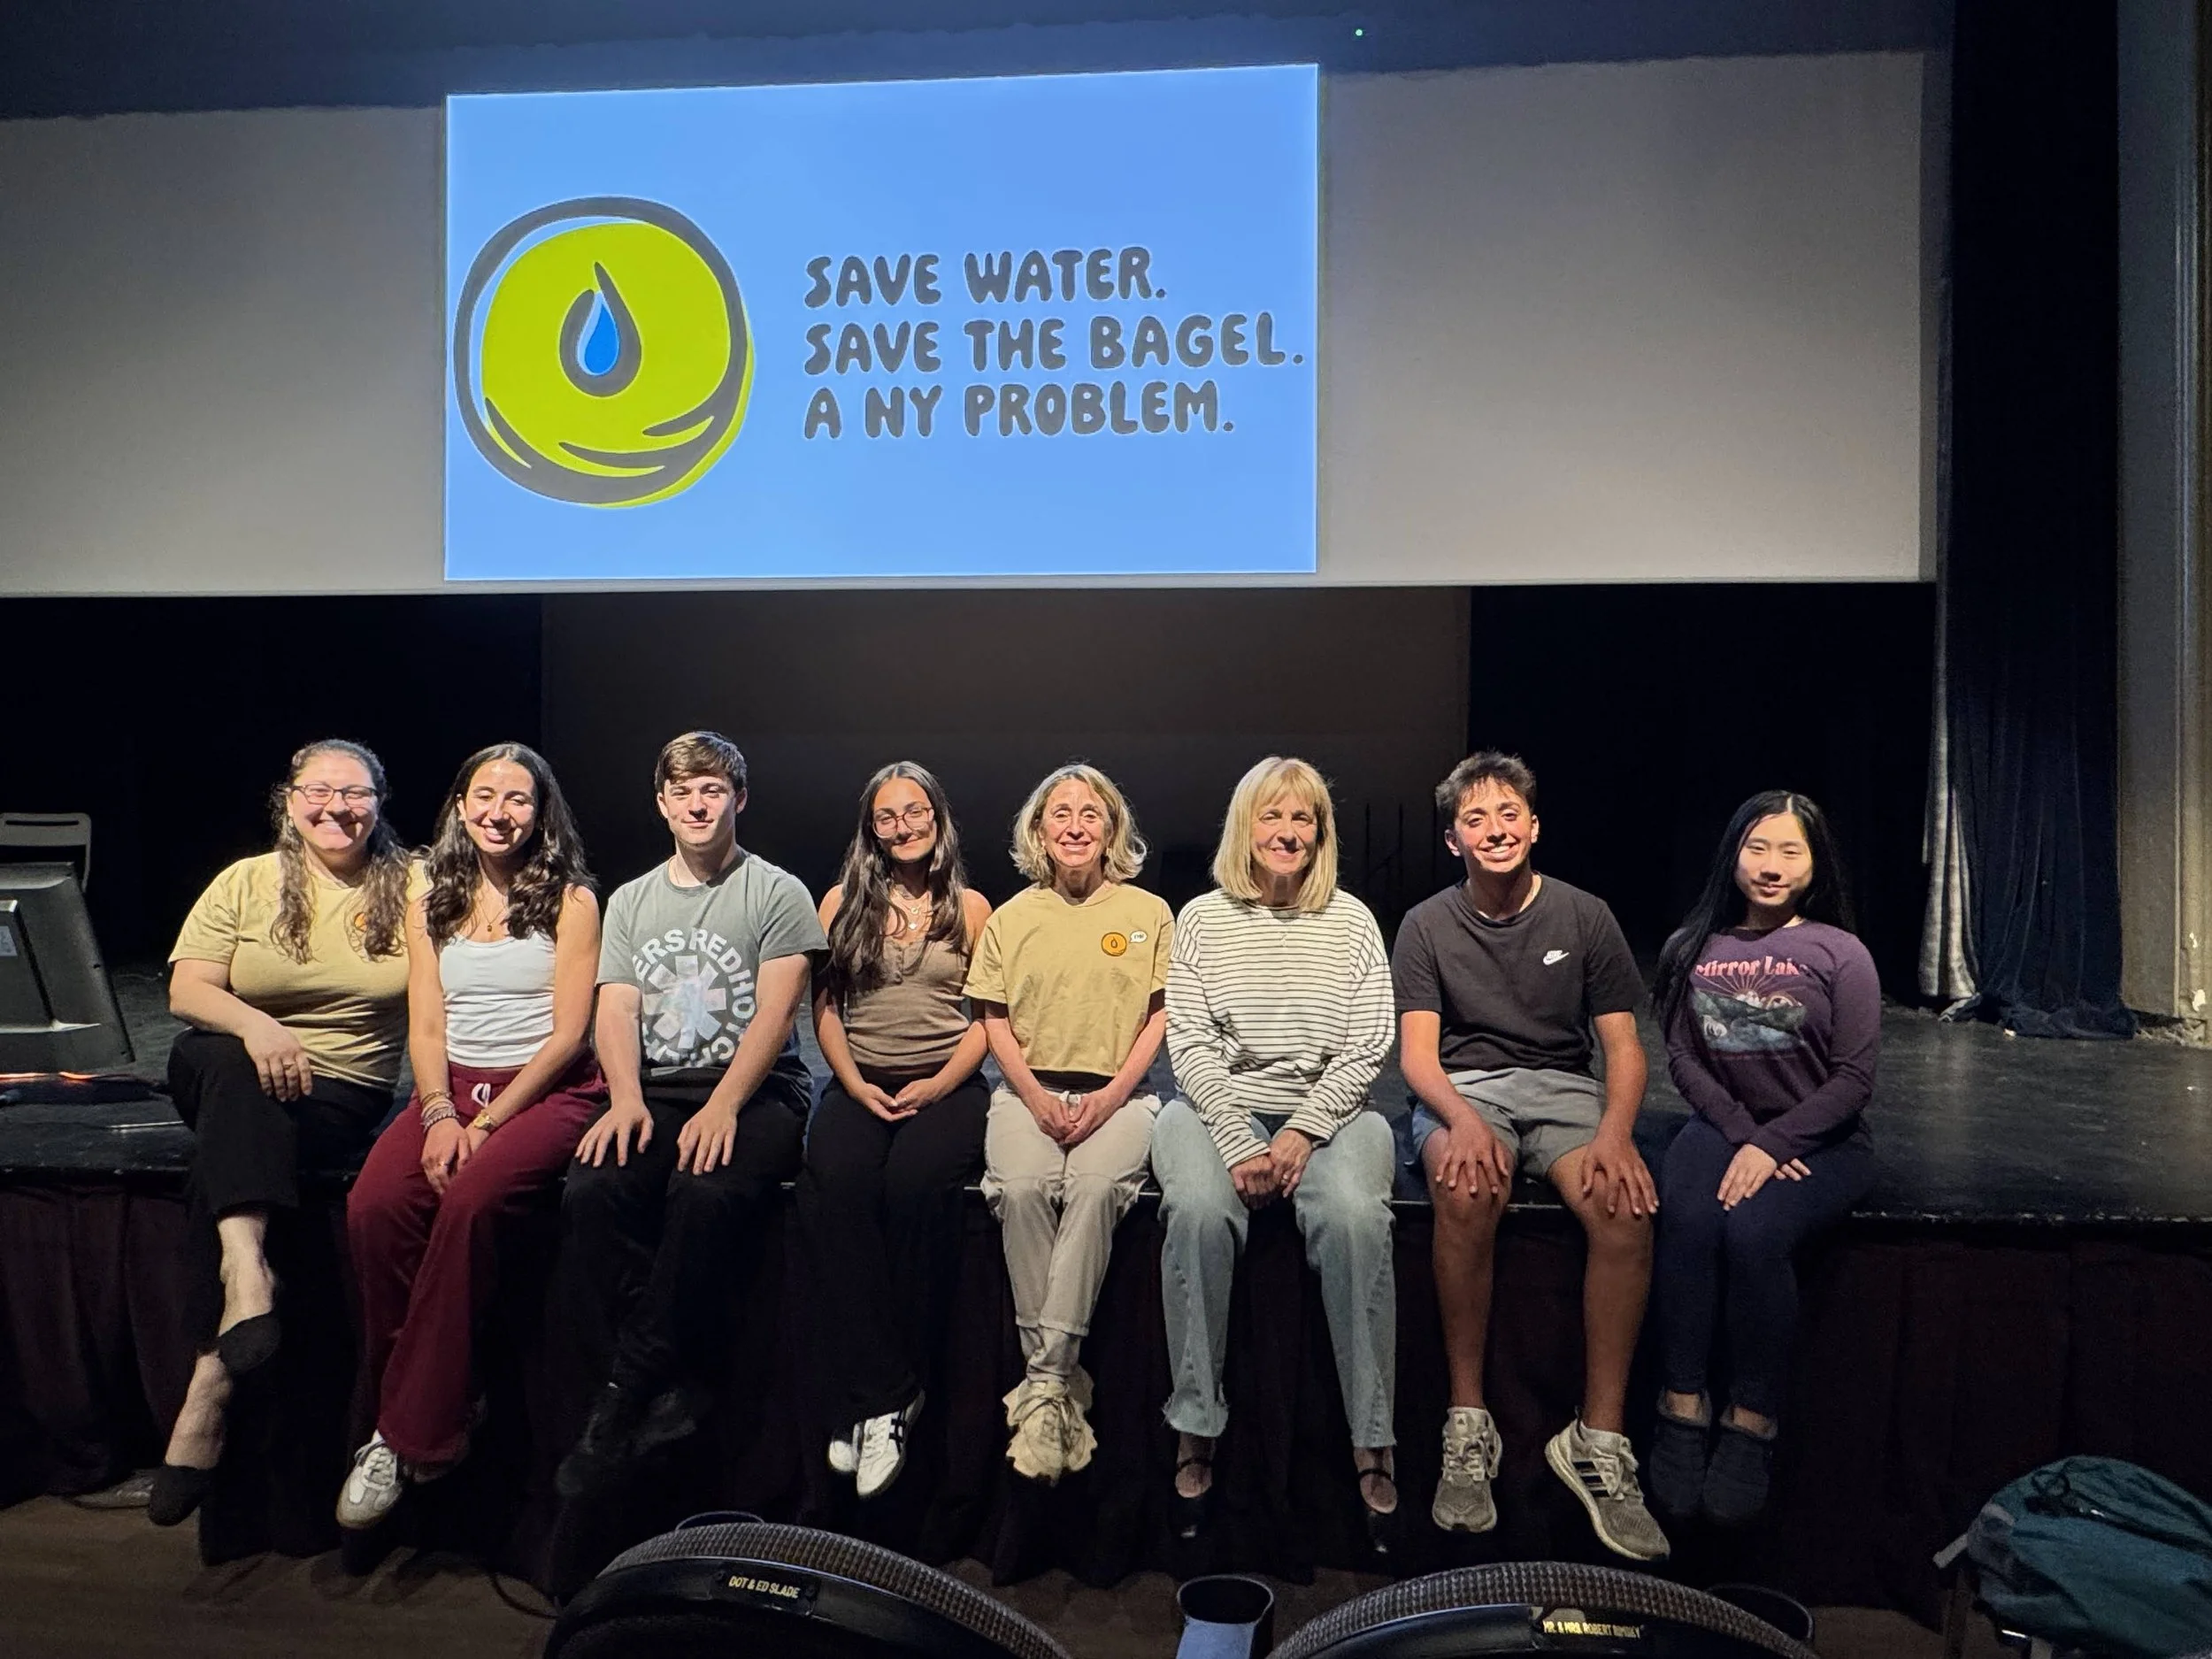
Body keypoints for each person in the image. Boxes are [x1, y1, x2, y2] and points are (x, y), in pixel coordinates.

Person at [1394, 751, 1669, 1561]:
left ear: (1535, 825)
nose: (1495, 830)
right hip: (1465, 1086)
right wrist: (1459, 1118)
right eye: (1475, 820)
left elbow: (1622, 1046)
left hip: (1562, 1091)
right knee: (1467, 1184)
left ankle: (1600, 1440)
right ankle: (1468, 1423)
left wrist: (1617, 1133)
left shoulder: (1586, 915)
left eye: (1508, 814)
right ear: (1454, 840)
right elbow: (1417, 1057)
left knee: (1625, 1206)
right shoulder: (1426, 923)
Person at [336, 743, 605, 1530]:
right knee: (372, 1208)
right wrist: (437, 1112)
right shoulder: (431, 894)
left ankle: (406, 1431)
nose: (499, 811)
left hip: (545, 1090)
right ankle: (431, 1395)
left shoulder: (572, 898)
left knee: (469, 1207)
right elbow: (426, 1020)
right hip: (449, 1088)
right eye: (483, 794)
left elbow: (567, 1035)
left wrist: (484, 1122)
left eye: (517, 799)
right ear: (459, 805)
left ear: (540, 812)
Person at [151, 739, 419, 1527]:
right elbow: (187, 988)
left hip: (340, 1090)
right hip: (226, 1068)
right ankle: (246, 1273)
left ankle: (210, 1377)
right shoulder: (246, 880)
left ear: (380, 800)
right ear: (288, 797)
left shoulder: (416, 883)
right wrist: (261, 1028)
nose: (337, 805)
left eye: (356, 792)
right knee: (233, 1066)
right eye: (320, 789)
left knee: (228, 1152)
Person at [553, 731, 826, 1498]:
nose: (697, 803)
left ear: (738, 798)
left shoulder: (777, 891)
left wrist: (725, 1104)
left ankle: (624, 1392)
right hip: (657, 1088)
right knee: (592, 1189)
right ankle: (671, 1382)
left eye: (712, 790)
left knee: (706, 1191)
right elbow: (617, 1007)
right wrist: (628, 1097)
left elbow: (778, 1013)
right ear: (662, 804)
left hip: (758, 1086)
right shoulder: (633, 899)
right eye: (683, 791)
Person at [1157, 757, 1400, 1546]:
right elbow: (1188, 1045)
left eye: (1303, 819)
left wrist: (1301, 1131)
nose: (1287, 832)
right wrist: (1235, 1135)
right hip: (1214, 1106)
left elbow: (1369, 1046)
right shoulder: (1200, 917)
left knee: (1357, 1215)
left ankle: (1372, 1438)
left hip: (1330, 1114)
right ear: (1245, 827)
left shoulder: (1354, 920)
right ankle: (1197, 1425)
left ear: (1321, 833)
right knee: (1196, 1207)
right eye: (1272, 817)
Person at [1645, 791, 1878, 1526]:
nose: (1771, 866)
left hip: (1820, 1139)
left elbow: (1854, 1078)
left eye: (1790, 851)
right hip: (1725, 1124)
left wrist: (1774, 1143)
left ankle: (1753, 1416)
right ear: (1732, 853)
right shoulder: (1691, 946)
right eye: (1758, 848)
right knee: (1684, 1214)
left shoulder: (1842, 953)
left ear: (1814, 865)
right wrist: (1741, 1133)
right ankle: (1681, 1399)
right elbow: (1682, 1056)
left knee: (1754, 1232)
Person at [966, 763, 1171, 1484]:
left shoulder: (1149, 912)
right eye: (1061, 813)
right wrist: (1033, 1094)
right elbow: (992, 1017)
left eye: (1091, 812)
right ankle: (1056, 1385)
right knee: (1019, 1189)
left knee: (1090, 1192)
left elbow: (1159, 1014)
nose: (1076, 824)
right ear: (1039, 830)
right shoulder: (1012, 918)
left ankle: (1042, 1385)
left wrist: (1111, 1097)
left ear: (1111, 827)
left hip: (1121, 1096)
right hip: (1027, 1093)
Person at [799, 763, 993, 1500]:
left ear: (939, 818)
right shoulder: (840, 902)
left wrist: (940, 1084)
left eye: (916, 811)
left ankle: (884, 1401)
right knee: (837, 1185)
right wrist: (850, 1084)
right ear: (870, 827)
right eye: (888, 815)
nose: (904, 825)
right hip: (859, 1080)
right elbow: (821, 1008)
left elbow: (988, 1019)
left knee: (915, 1188)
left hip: (948, 1084)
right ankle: (879, 1397)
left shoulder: (971, 906)